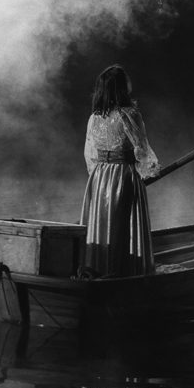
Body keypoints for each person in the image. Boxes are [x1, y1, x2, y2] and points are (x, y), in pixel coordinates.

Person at [80, 64, 159, 277]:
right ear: (122, 87)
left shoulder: (94, 116)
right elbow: (141, 148)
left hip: (99, 177)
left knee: (104, 224)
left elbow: (90, 153)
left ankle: (101, 268)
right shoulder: (129, 114)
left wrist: (98, 175)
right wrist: (149, 171)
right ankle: (126, 271)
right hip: (123, 176)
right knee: (124, 226)